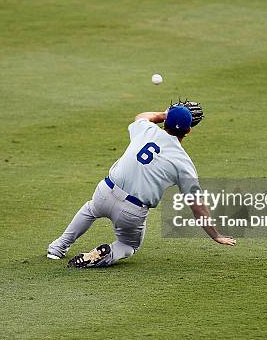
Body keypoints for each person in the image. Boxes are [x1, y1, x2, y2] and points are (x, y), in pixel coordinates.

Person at [47, 102, 236, 268]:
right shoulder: (183, 163)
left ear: (165, 122)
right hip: (131, 212)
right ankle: (108, 253)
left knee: (90, 209)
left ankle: (58, 247)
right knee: (129, 246)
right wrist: (215, 235)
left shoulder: (146, 129)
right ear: (188, 131)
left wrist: (164, 114)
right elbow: (197, 207)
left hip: (105, 191)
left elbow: (142, 116)